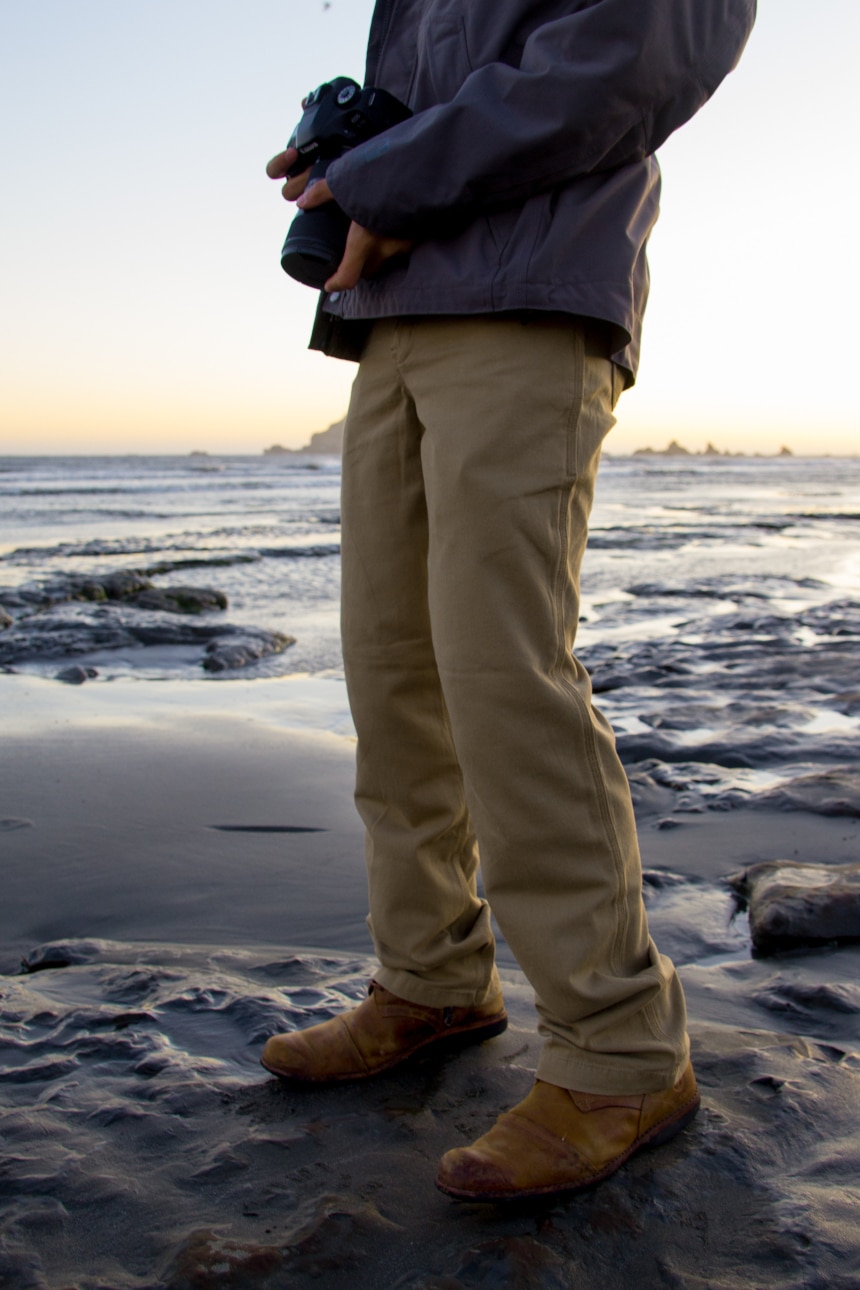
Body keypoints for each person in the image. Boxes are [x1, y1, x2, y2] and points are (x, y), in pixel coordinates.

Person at [262, 0, 756, 1202]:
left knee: (500, 666)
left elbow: (629, 57)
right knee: (393, 670)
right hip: (391, 316)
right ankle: (429, 982)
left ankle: (619, 1049)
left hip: (528, 297)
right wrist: (351, 163)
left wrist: (383, 175)